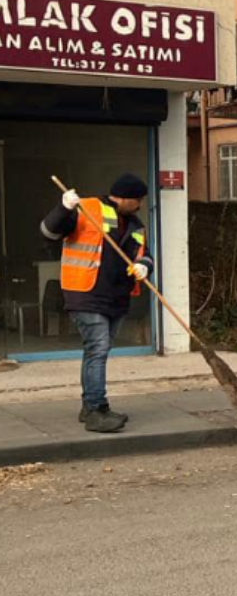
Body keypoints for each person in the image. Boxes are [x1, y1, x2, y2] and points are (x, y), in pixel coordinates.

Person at [40, 173, 153, 433]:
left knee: (96, 351)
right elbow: (49, 232)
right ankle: (96, 410)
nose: (141, 205)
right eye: (138, 200)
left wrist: (144, 266)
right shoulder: (87, 208)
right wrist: (63, 208)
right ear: (125, 198)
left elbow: (144, 254)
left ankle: (90, 405)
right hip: (85, 292)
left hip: (116, 297)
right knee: (98, 349)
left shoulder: (135, 224)